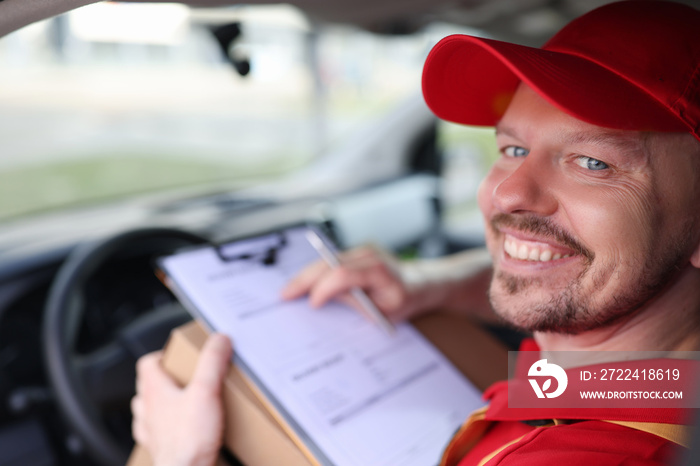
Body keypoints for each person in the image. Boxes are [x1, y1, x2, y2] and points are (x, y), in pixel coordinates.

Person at [130, 1, 700, 465]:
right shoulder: (634, 381)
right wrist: (436, 282)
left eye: (593, 163)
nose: (507, 193)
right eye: (513, 149)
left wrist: (173, 456)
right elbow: (613, 263)